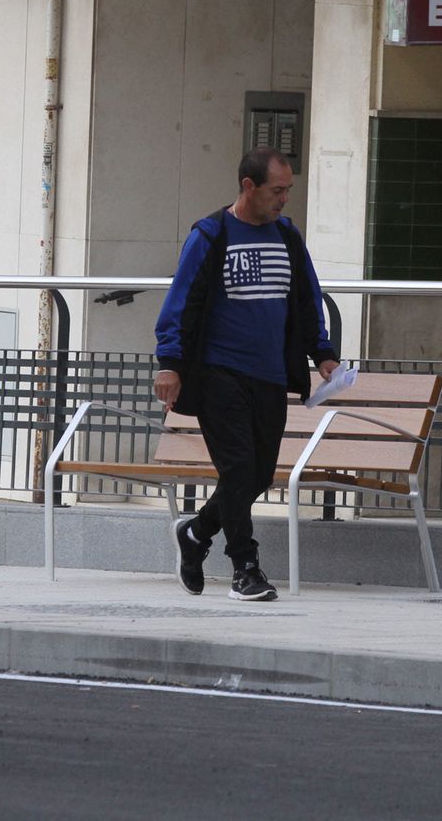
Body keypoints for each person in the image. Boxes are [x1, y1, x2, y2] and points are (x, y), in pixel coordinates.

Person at [153, 146, 339, 601]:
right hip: (219, 374)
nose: (283, 199)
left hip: (270, 376)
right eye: (277, 190)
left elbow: (306, 300)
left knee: (256, 476)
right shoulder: (212, 235)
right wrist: (170, 363)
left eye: (288, 190)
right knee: (238, 469)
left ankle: (195, 534)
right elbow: (181, 302)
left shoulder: (288, 237)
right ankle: (245, 568)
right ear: (248, 186)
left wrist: (324, 355)